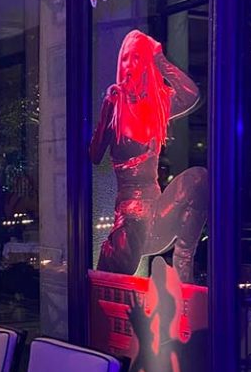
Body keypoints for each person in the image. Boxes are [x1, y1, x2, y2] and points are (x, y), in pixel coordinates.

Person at [89, 29, 207, 283]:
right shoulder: (116, 105)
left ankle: (183, 271)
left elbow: (190, 94)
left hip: (158, 216)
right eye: (126, 58)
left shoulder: (157, 103)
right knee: (110, 282)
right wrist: (107, 111)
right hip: (130, 219)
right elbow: (95, 155)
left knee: (199, 177)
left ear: (146, 64)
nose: (130, 65)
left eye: (137, 58)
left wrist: (159, 58)